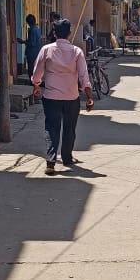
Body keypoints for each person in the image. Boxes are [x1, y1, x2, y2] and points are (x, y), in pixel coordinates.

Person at [32, 19, 95, 176]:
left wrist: (36, 85)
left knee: (52, 128)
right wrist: (89, 97)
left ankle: (51, 161)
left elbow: (37, 73)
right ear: (69, 33)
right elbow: (84, 77)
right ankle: (67, 158)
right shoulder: (76, 52)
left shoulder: (46, 50)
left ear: (54, 33)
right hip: (71, 97)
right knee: (69, 129)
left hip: (51, 97)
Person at [18, 14, 42, 79]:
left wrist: (23, 41)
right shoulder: (38, 29)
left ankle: (32, 81)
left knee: (31, 68)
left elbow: (31, 43)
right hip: (37, 51)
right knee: (35, 68)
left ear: (28, 22)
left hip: (32, 52)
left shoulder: (32, 30)